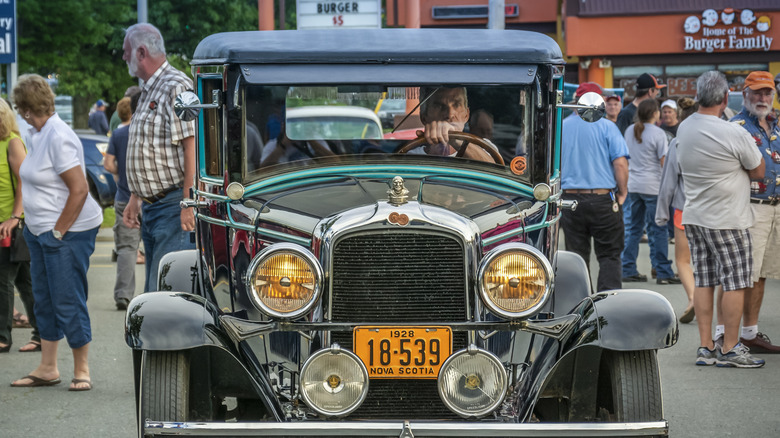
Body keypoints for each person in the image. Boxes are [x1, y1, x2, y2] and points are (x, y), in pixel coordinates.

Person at [10, 74, 102, 389]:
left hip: (67, 232)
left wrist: (58, 233)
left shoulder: (58, 136)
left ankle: (82, 369)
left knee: (67, 299)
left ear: (26, 109)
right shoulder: (36, 133)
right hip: (39, 231)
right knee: (43, 300)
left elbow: (79, 190)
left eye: (20, 108)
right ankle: (48, 367)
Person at [677, 70, 765, 368]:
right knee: (735, 283)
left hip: (695, 214)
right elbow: (758, 170)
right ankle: (729, 347)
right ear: (726, 98)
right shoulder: (733, 132)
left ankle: (705, 347)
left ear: (698, 95)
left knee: (704, 281)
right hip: (727, 217)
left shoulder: (685, 127)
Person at [121, 23, 196, 292]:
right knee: (154, 292)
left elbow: (192, 147)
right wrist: (135, 197)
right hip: (154, 207)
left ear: (141, 52)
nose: (123, 57)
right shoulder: (148, 88)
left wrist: (188, 202)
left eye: (126, 51)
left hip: (172, 206)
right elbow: (149, 149)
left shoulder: (176, 86)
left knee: (163, 294)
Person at [729, 70, 780, 354]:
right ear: (744, 94)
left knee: (761, 274)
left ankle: (750, 334)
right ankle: (726, 336)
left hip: (775, 208)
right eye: (757, 92)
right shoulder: (736, 127)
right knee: (742, 274)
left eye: (767, 92)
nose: (762, 98)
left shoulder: (775, 125)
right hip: (749, 207)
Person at [560, 82, 629, 291]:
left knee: (576, 257)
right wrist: (623, 192)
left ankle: (580, 302)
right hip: (602, 199)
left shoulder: (562, 127)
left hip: (569, 200)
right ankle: (609, 303)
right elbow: (620, 163)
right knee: (609, 255)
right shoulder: (607, 126)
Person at [621, 99, 678, 284]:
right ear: (655, 113)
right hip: (653, 187)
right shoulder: (658, 133)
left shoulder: (630, 130)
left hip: (633, 185)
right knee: (658, 229)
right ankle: (662, 271)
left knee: (634, 229)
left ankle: (628, 268)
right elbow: (664, 162)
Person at [0, 98, 40, 353]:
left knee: (3, 279)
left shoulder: (12, 142)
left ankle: (3, 336)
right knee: (26, 282)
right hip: (6, 223)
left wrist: (15, 216)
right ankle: (42, 332)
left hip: (10, 224)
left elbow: (25, 180)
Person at [655, 97, 699, 323]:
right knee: (708, 262)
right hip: (712, 208)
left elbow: (668, 182)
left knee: (683, 260)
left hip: (684, 208)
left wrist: (661, 214)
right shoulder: (715, 138)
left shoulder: (678, 142)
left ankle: (692, 298)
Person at [104, 95, 142, 310]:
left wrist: (122, 173)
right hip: (152, 197)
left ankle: (123, 294)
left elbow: (108, 164)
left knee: (127, 248)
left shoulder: (118, 134)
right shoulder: (148, 131)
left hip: (124, 196)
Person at [415, 87, 493, 162]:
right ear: (424, 117)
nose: (450, 114)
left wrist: (456, 140)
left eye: (456, 105)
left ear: (466, 115)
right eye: (439, 106)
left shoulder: (485, 147)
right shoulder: (412, 157)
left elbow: (494, 168)